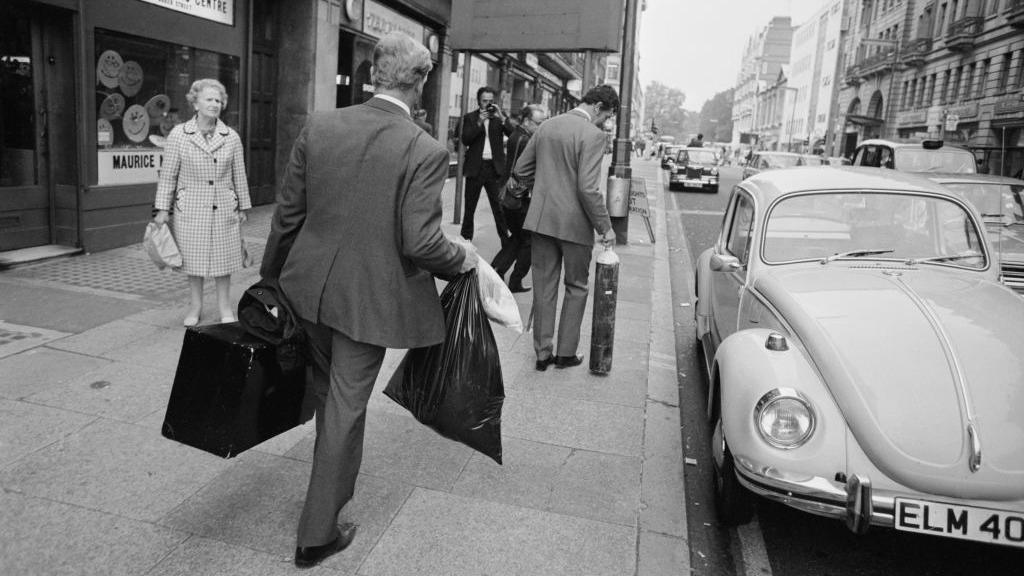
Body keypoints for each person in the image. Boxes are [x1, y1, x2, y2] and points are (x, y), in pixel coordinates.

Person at [260, 32, 477, 569]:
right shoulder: (425, 149)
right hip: (366, 304)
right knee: (344, 409)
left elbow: (288, 215)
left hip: (307, 289)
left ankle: (324, 489)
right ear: (421, 79)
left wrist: (270, 283)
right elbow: (421, 242)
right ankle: (317, 532)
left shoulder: (321, 124)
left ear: (372, 74)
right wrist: (463, 261)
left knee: (325, 397)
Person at [514, 85, 618, 371]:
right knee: (576, 287)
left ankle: (542, 354)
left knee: (544, 287)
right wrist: (605, 227)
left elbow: (522, 170)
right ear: (598, 107)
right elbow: (587, 188)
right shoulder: (594, 135)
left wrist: (547, 184)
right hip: (575, 225)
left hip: (543, 220)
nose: (605, 123)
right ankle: (565, 354)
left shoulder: (547, 126)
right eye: (606, 116)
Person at [154, 78, 252, 327]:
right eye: (209, 99)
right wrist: (162, 209)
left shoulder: (231, 137)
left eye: (218, 100)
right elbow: (168, 175)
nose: (215, 104)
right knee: (193, 262)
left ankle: (224, 307)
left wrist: (242, 206)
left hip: (223, 205)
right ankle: (195, 307)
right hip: (191, 206)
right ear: (195, 103)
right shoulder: (179, 135)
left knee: (223, 262)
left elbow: (239, 174)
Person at [491, 104, 548, 293]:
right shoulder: (526, 140)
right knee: (528, 241)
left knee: (517, 238)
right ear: (527, 121)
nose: (541, 127)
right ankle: (515, 280)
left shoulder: (517, 135)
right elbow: (525, 171)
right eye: (539, 123)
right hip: (518, 198)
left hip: (510, 197)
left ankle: (496, 270)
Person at [458, 86, 513, 245]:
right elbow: (465, 139)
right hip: (476, 168)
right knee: (469, 208)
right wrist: (479, 122)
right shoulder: (470, 118)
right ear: (478, 101)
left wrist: (502, 117)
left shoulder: (498, 118)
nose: (488, 104)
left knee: (499, 209)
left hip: (495, 169)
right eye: (484, 101)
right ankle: (465, 242)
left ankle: (506, 242)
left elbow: (513, 134)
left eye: (490, 101)